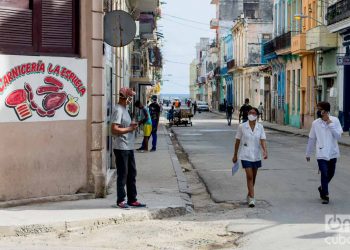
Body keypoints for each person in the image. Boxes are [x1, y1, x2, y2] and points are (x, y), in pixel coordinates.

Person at [111, 87, 146, 209]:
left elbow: (123, 126)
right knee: (123, 174)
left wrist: (131, 125)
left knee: (132, 173)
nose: (131, 100)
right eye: (130, 97)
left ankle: (132, 199)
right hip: (121, 147)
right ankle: (121, 200)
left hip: (128, 146)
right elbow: (114, 129)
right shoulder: (118, 110)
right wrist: (129, 129)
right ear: (123, 97)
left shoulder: (125, 110)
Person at [306, 101, 343, 204]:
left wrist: (330, 123)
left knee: (331, 173)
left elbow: (338, 136)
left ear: (325, 111)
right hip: (321, 153)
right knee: (324, 173)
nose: (317, 111)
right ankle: (326, 195)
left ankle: (322, 187)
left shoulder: (335, 120)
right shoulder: (315, 123)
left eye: (319, 109)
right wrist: (308, 153)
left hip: (333, 152)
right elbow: (312, 138)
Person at [232, 107, 268, 208]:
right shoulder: (242, 126)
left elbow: (263, 140)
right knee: (250, 176)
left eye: (254, 113)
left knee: (254, 177)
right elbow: (237, 141)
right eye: (250, 112)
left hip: (256, 155)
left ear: (257, 115)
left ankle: (249, 194)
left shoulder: (260, 127)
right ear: (248, 114)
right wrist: (235, 154)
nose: (251, 114)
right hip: (245, 155)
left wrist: (265, 151)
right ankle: (252, 198)